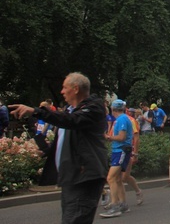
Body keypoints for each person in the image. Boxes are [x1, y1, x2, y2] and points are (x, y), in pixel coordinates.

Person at [10, 72, 108, 224]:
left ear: (75, 89)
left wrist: (37, 111)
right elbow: (65, 138)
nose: (61, 91)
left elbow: (72, 121)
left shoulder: (93, 108)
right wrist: (47, 151)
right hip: (71, 177)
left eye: (64, 87)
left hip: (85, 176)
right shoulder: (70, 110)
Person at [99, 99, 134, 218]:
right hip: (119, 150)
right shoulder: (121, 119)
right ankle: (123, 204)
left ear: (113, 109)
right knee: (117, 179)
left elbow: (122, 137)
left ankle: (115, 206)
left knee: (111, 177)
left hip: (121, 150)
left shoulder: (121, 119)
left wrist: (109, 137)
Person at [122, 107, 143, 206]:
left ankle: (138, 191)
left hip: (128, 150)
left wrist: (135, 153)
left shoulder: (131, 121)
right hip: (118, 151)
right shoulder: (117, 120)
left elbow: (136, 138)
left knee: (124, 177)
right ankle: (117, 201)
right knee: (117, 177)